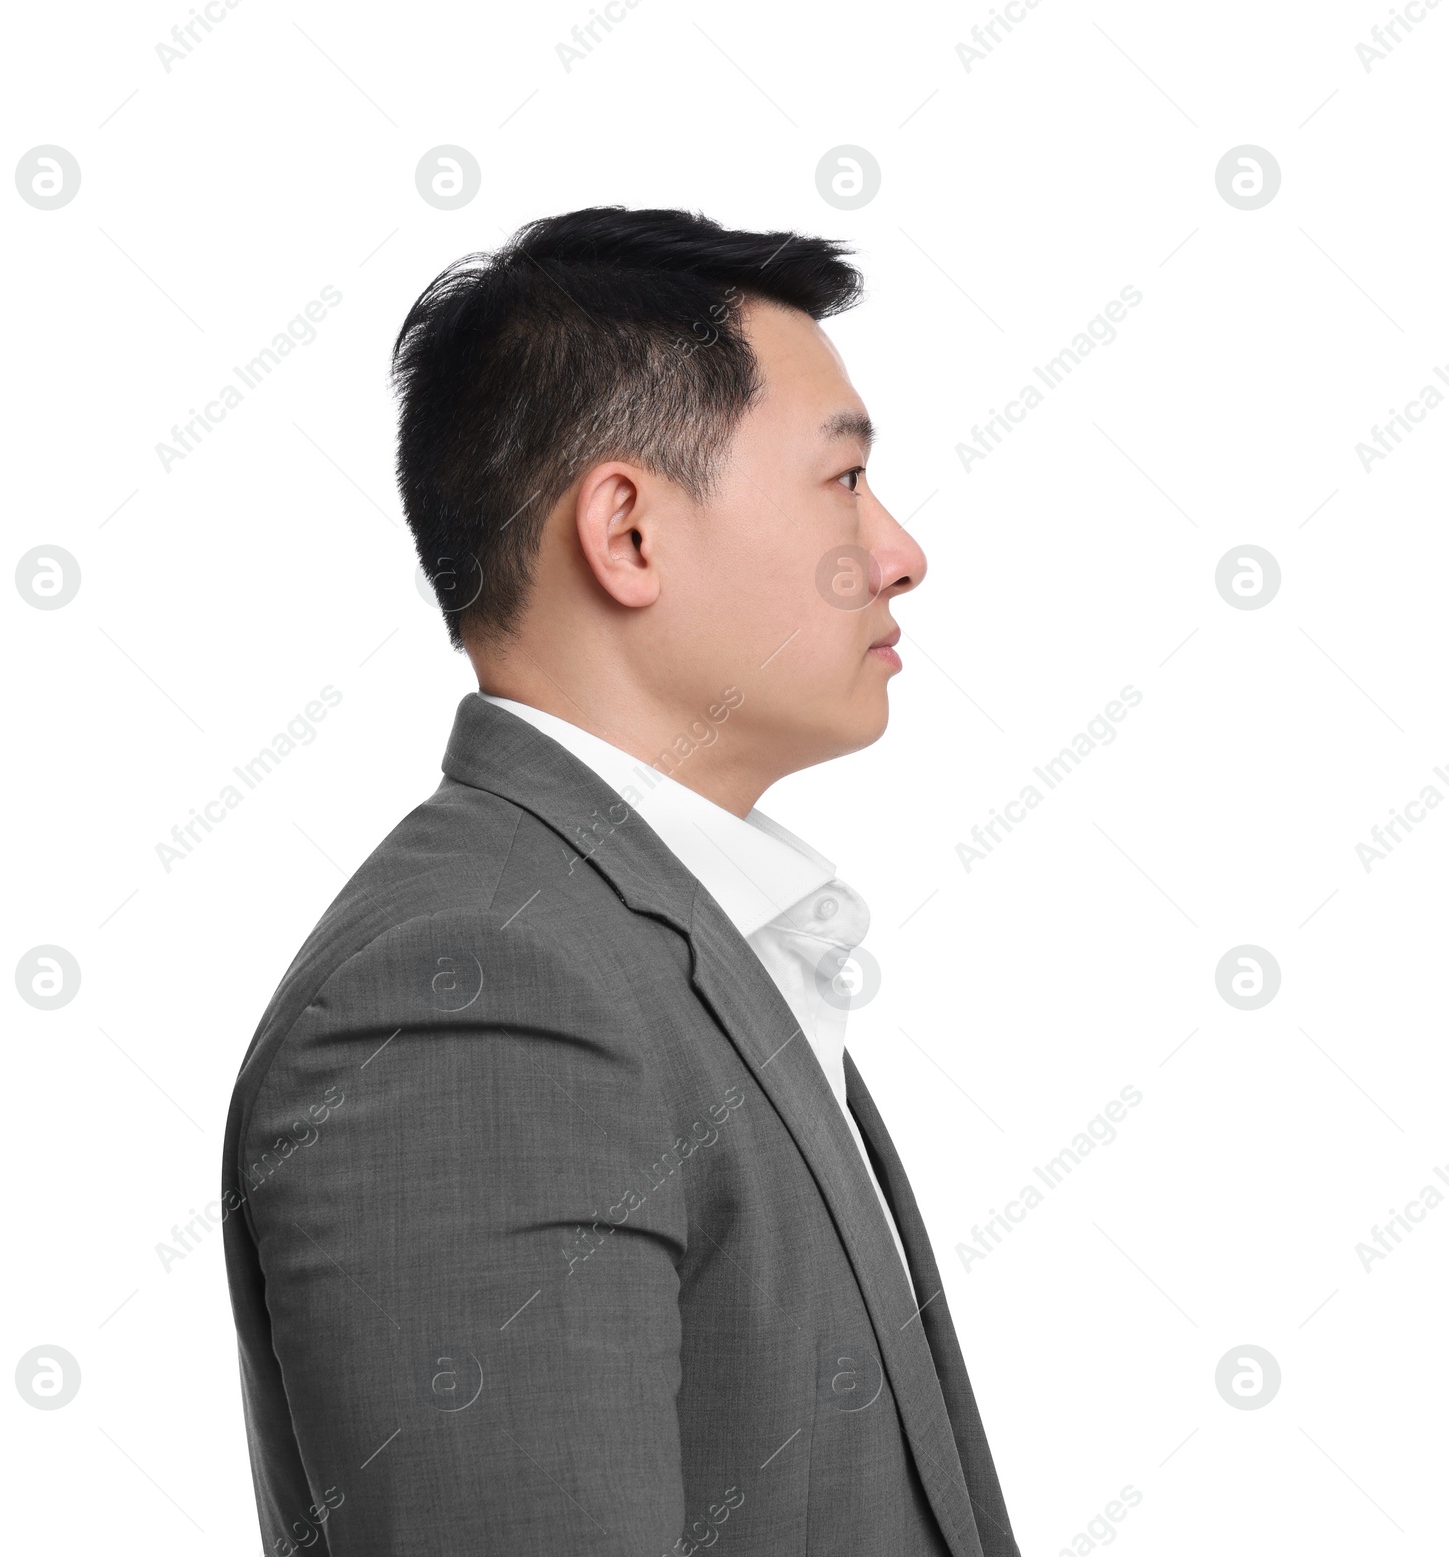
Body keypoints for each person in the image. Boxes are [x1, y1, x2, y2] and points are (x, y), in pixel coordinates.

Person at [222, 206, 1019, 1556]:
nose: (901, 551)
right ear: (629, 533)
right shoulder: (473, 996)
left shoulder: (643, 941)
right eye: (841, 479)